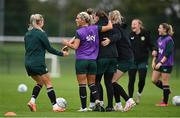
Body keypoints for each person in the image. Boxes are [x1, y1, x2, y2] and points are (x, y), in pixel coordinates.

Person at [63, 11, 113, 112]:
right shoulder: (95, 28)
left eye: (77, 18)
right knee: (92, 84)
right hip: (93, 62)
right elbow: (109, 27)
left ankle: (84, 107)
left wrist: (67, 43)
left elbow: (75, 47)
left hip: (82, 61)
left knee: (82, 84)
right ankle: (98, 100)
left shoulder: (79, 32)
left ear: (83, 20)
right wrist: (109, 18)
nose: (76, 20)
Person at [24, 14, 69, 112]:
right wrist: (62, 53)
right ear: (39, 22)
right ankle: (55, 107)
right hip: (38, 63)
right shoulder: (41, 33)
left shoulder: (27, 34)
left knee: (40, 82)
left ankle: (32, 101)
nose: (43, 22)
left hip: (27, 63)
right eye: (42, 21)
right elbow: (49, 49)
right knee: (48, 83)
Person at [87, 9, 117, 112]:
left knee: (96, 81)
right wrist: (111, 39)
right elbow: (118, 35)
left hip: (102, 57)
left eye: (94, 16)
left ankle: (99, 103)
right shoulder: (110, 24)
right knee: (108, 82)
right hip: (113, 57)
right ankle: (110, 106)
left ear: (97, 17)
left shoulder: (96, 27)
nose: (93, 18)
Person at [109, 10, 136, 112]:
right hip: (125, 58)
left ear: (111, 18)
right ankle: (118, 104)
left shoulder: (115, 28)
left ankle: (129, 100)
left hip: (125, 59)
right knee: (113, 81)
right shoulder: (121, 27)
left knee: (112, 81)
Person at [128, 19, 157, 104]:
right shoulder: (130, 35)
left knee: (142, 79)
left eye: (135, 24)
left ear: (139, 25)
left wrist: (154, 50)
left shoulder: (145, 33)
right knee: (131, 80)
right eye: (132, 24)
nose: (133, 25)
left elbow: (152, 44)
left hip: (143, 60)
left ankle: (139, 94)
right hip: (132, 61)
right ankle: (130, 99)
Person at [152, 23, 174, 106]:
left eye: (159, 28)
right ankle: (167, 90)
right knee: (154, 80)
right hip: (159, 63)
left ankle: (164, 102)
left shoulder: (169, 39)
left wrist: (161, 62)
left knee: (165, 82)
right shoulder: (159, 39)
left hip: (166, 64)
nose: (158, 29)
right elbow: (156, 51)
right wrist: (154, 61)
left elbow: (168, 52)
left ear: (164, 29)